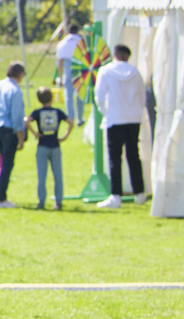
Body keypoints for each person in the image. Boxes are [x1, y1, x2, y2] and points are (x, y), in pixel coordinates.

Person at [96, 44, 149, 207]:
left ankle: (116, 195)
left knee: (115, 158)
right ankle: (139, 193)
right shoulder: (135, 72)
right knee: (133, 156)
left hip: (115, 119)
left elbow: (99, 95)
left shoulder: (106, 71)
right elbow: (142, 96)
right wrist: (136, 112)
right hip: (132, 119)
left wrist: (107, 112)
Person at [0, 61, 29, 206]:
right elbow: (17, 117)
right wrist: (21, 137)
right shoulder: (15, 90)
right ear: (20, 74)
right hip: (8, 129)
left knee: (0, 163)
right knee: (7, 165)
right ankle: (2, 198)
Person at [31, 87, 72, 209]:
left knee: (42, 175)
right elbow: (71, 122)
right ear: (52, 98)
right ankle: (58, 202)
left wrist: (35, 133)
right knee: (58, 175)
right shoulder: (58, 112)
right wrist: (65, 136)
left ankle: (41, 202)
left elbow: (27, 122)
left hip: (42, 145)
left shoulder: (37, 112)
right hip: (55, 145)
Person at [54, 21, 85, 122]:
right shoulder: (82, 42)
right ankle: (80, 118)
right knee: (80, 95)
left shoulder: (62, 43)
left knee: (68, 96)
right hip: (80, 71)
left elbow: (60, 62)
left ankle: (70, 118)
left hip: (68, 71)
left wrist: (60, 77)